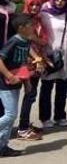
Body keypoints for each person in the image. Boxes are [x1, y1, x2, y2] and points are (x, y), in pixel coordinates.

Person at [39, 0, 67, 128]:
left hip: (66, 55)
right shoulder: (44, 13)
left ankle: (60, 116)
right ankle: (45, 117)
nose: (60, 1)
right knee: (46, 87)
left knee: (62, 87)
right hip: (49, 55)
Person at [0, 14, 35, 157]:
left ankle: (2, 146)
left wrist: (27, 82)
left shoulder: (26, 42)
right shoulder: (14, 41)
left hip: (17, 83)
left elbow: (22, 64)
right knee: (10, 115)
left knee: (11, 117)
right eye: (30, 25)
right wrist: (9, 75)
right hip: (5, 83)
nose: (33, 27)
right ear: (21, 28)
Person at [17, 0, 47, 141]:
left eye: (38, 4)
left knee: (30, 95)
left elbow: (44, 41)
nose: (35, 7)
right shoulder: (22, 21)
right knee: (22, 95)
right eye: (32, 4)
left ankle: (24, 124)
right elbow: (25, 42)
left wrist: (36, 39)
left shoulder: (39, 20)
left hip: (37, 63)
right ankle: (21, 128)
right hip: (23, 63)